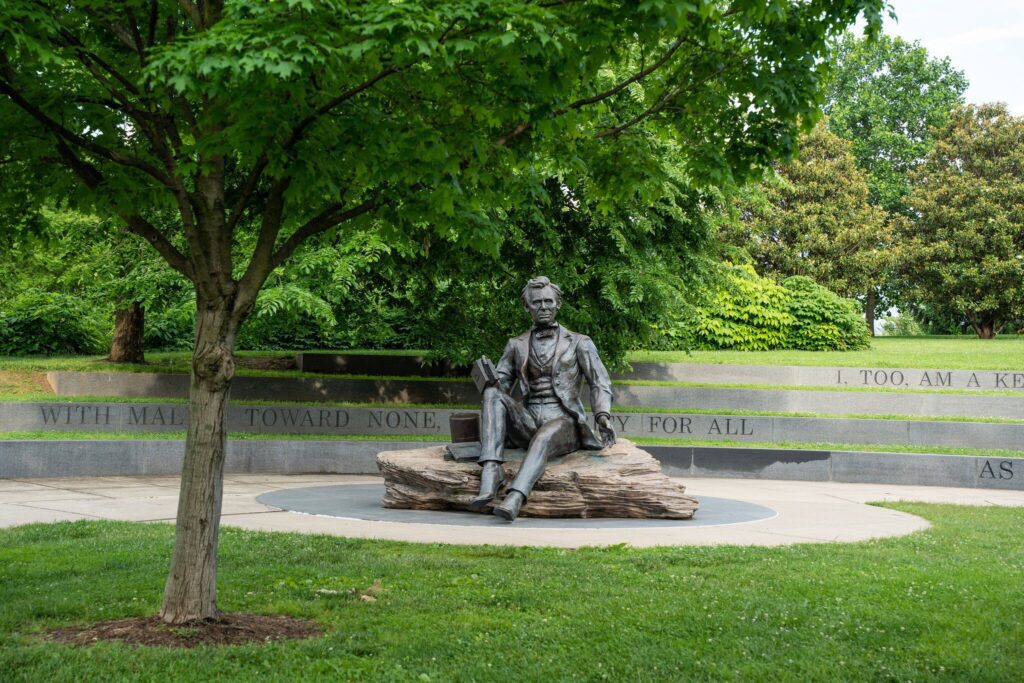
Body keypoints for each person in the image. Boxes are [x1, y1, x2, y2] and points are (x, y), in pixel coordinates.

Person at [471, 276, 616, 521]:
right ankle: (492, 470)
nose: (543, 307)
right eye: (536, 302)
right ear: (526, 307)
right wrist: (486, 378)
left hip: (564, 423)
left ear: (558, 304)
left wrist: (602, 415)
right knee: (492, 394)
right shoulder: (515, 344)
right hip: (527, 420)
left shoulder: (580, 342)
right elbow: (501, 385)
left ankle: (516, 496)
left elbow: (599, 381)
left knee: (545, 436)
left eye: (549, 301)